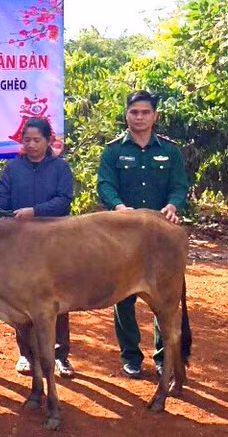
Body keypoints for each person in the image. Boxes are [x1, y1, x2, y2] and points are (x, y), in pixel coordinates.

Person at [97, 90, 189, 379]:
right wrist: (120, 207)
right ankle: (131, 356)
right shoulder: (113, 151)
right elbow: (105, 185)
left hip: (161, 237)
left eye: (145, 112)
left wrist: (174, 205)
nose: (139, 117)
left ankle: (164, 356)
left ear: (155, 116)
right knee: (122, 295)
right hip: (123, 236)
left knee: (165, 297)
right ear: (126, 114)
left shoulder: (171, 151)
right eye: (134, 112)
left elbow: (179, 186)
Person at [0, 116, 75, 378]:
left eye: (37, 140)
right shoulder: (13, 169)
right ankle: (26, 354)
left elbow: (64, 200)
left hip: (56, 242)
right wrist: (3, 212)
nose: (31, 144)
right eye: (27, 140)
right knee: (22, 300)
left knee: (58, 300)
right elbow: (0, 203)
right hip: (20, 245)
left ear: (49, 140)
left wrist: (34, 211)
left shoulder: (60, 167)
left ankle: (61, 356)